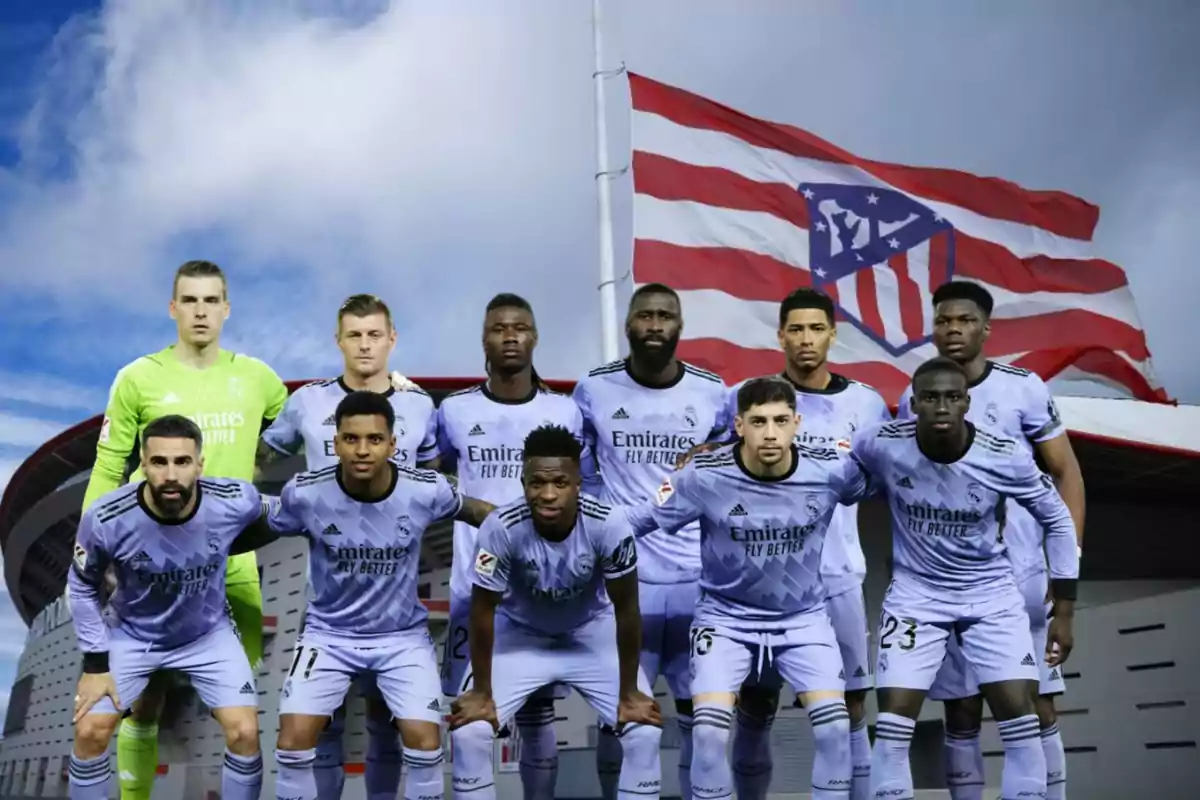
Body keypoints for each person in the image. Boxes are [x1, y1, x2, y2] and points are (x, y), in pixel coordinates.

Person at [81, 260, 288, 800]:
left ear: (226, 308)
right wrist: (93, 553)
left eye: (211, 301)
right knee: (142, 704)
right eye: (189, 301)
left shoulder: (259, 379)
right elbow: (108, 468)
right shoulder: (138, 377)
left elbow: (305, 425)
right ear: (173, 308)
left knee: (240, 720)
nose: (201, 311)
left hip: (231, 568)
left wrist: (383, 388)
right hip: (148, 566)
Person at [626, 376, 870, 800]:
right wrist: (566, 533)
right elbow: (638, 521)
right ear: (738, 425)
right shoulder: (703, 476)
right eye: (758, 421)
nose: (770, 433)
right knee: (707, 733)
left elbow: (897, 482)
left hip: (803, 620)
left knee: (834, 727)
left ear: (797, 423)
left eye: (780, 421)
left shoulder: (832, 470)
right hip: (725, 621)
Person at [852, 357, 1079, 799]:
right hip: (917, 594)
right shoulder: (880, 442)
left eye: (952, 397)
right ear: (912, 404)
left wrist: (1065, 609)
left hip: (990, 592)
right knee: (895, 725)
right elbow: (826, 479)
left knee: (1020, 721)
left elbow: (1058, 519)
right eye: (930, 398)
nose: (941, 406)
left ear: (966, 403)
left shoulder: (1005, 455)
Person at [895, 281, 1086, 800]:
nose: (953, 329)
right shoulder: (910, 397)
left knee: (1036, 703)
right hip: (944, 579)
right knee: (960, 708)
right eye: (943, 321)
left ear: (986, 327)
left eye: (964, 320)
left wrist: (1065, 561)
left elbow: (1066, 473)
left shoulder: (1023, 388)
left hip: (1021, 576)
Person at [260, 390, 495, 800]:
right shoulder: (305, 494)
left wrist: (533, 528)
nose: (362, 450)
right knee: (293, 741)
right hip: (328, 636)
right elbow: (256, 529)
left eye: (373, 439)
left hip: (401, 638)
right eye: (351, 439)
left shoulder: (425, 490)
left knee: (424, 742)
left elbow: (477, 512)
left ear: (392, 444)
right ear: (335, 444)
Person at [260, 293, 438, 800]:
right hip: (326, 597)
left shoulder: (418, 404)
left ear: (392, 340)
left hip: (395, 595)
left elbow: (429, 482)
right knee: (322, 730)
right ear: (338, 340)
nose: (364, 345)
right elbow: (260, 460)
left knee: (389, 726)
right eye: (354, 335)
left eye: (374, 335)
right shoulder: (307, 402)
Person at [718, 288, 891, 800]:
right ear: (780, 336)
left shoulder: (865, 404)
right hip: (762, 581)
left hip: (837, 576)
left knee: (851, 706)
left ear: (833, 334)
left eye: (817, 328)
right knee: (755, 704)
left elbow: (887, 479)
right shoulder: (746, 396)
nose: (806, 339)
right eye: (796, 329)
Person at [571, 282, 730, 800]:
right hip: (624, 582)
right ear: (628, 325)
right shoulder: (594, 389)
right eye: (645, 315)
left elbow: (732, 465)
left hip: (696, 583)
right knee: (625, 720)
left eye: (665, 316)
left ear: (680, 327)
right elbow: (580, 471)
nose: (655, 325)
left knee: (702, 725)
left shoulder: (713, 392)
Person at [448, 425, 663, 800]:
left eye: (560, 483)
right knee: (470, 731)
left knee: (643, 730)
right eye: (537, 483)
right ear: (523, 481)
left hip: (589, 633)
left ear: (578, 483)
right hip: (519, 635)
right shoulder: (501, 528)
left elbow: (627, 610)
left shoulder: (609, 525)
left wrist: (629, 693)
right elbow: (482, 610)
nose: (548, 494)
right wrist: (482, 692)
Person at [67, 415, 270, 800]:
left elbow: (283, 514)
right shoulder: (106, 518)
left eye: (182, 462)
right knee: (90, 733)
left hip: (207, 636)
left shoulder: (233, 499)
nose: (171, 474)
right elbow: (80, 586)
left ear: (200, 464)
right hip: (131, 635)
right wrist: (95, 666)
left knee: (244, 732)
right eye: (159, 462)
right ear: (143, 464)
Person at [436, 293, 590, 798]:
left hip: (543, 593)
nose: (509, 336)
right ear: (484, 338)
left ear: (534, 337)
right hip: (473, 592)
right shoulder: (454, 411)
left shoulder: (564, 412)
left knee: (539, 716)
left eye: (519, 327)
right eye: (498, 328)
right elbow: (427, 482)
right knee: (469, 719)